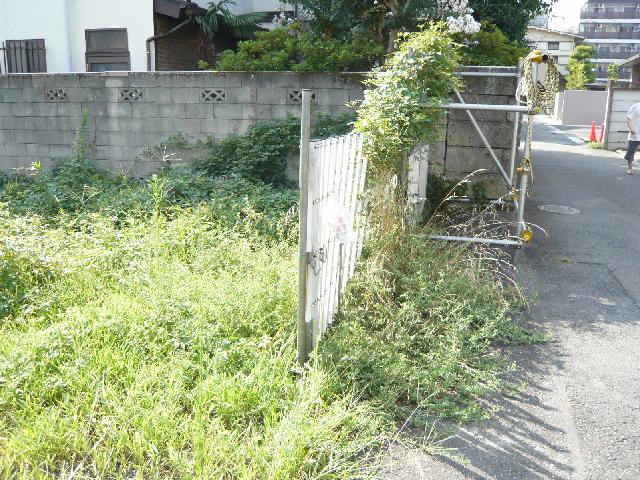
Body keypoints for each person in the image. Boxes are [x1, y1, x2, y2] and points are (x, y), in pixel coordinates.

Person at [625, 103, 640, 175]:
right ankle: (630, 168)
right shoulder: (636, 106)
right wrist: (631, 129)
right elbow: (628, 119)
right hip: (635, 134)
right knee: (631, 151)